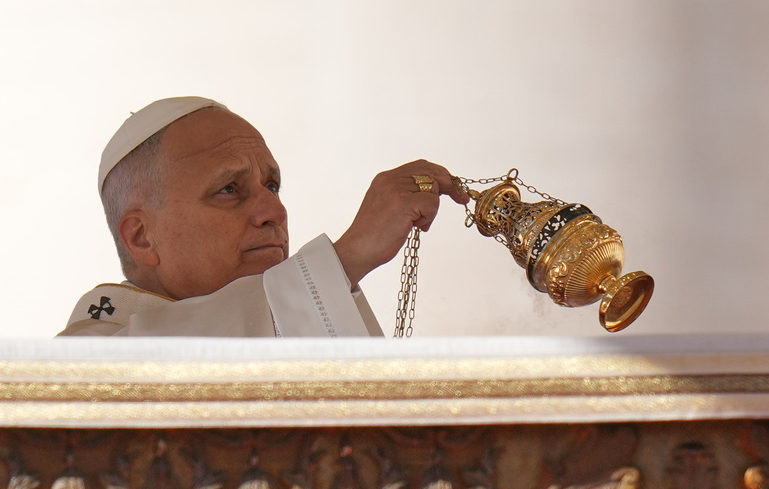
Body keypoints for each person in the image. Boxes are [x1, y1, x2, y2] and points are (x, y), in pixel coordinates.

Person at [59, 96, 468, 337]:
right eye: (229, 189)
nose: (275, 211)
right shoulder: (81, 374)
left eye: (271, 186)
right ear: (142, 237)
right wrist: (345, 261)